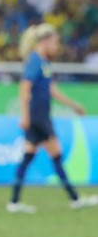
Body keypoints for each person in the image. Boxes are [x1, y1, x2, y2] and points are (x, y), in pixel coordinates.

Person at [7, 24, 97, 213]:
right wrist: (24, 115)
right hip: (38, 117)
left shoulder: (43, 63)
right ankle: (74, 198)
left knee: (29, 156)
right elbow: (24, 88)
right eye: (55, 43)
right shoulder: (35, 61)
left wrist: (73, 106)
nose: (57, 47)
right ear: (45, 42)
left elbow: (51, 90)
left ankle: (14, 202)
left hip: (38, 116)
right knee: (56, 154)